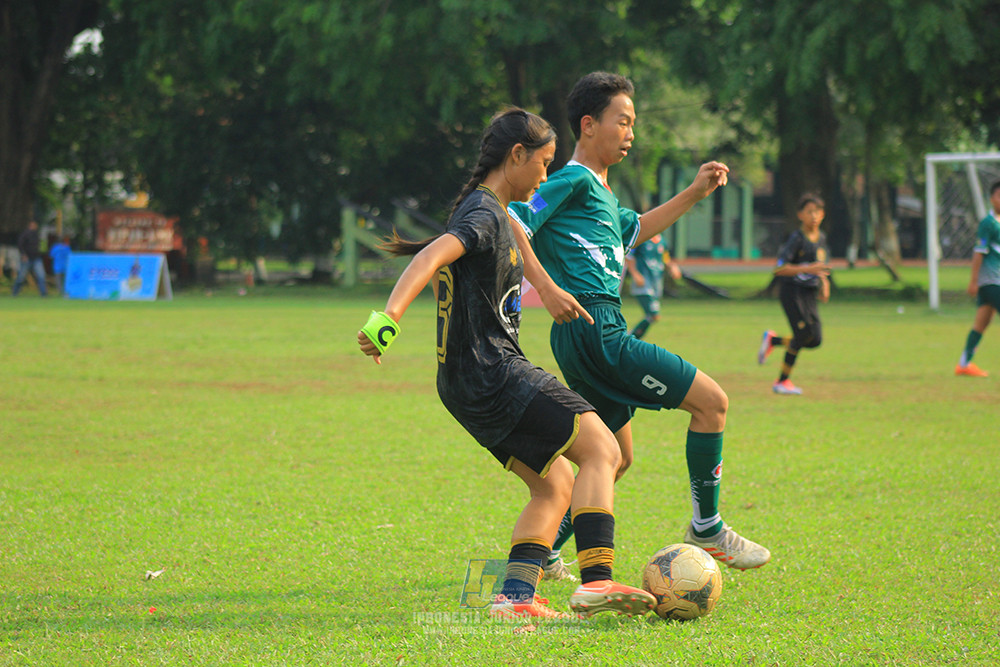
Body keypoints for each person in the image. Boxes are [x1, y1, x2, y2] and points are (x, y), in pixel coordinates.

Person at [357, 107, 656, 620]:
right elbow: (429, 257)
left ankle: (515, 598)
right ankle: (597, 581)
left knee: (556, 483)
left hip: (462, 384)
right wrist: (388, 317)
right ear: (515, 156)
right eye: (542, 164)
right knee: (603, 448)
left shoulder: (488, 210)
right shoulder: (484, 213)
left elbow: (473, 249)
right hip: (492, 371)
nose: (545, 176)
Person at [507, 72, 770, 577]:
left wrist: (694, 193)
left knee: (614, 457)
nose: (630, 133)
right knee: (712, 403)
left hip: (588, 331)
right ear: (588, 125)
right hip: (595, 328)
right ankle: (707, 526)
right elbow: (516, 221)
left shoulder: (602, 193)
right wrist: (548, 287)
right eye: (621, 122)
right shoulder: (571, 178)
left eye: (633, 124)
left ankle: (547, 551)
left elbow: (638, 229)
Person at [757, 193, 831, 395]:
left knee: (814, 339)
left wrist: (824, 283)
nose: (813, 216)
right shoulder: (796, 239)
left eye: (817, 212)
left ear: (823, 214)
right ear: (800, 215)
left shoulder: (822, 238)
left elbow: (821, 267)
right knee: (803, 335)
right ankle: (782, 381)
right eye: (809, 212)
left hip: (809, 293)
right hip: (792, 292)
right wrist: (806, 268)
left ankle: (773, 341)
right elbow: (779, 269)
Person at [954, 179, 1000, 377]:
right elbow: (978, 253)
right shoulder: (988, 224)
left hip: (992, 283)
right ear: (992, 199)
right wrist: (973, 281)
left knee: (981, 323)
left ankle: (964, 364)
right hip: (993, 282)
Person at [624, 233, 681, 339]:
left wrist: (673, 267)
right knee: (653, 315)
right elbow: (629, 256)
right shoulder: (642, 238)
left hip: (656, 282)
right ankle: (629, 339)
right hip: (644, 283)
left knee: (652, 316)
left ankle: (629, 338)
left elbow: (665, 259)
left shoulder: (662, 241)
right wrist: (635, 274)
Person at [12, 220, 48, 297]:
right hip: (27, 258)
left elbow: (41, 246)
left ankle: (44, 293)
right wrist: (23, 254)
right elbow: (20, 245)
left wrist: (41, 253)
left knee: (41, 276)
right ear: (30, 226)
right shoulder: (25, 234)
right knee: (21, 277)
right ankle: (15, 293)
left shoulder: (37, 235)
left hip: (36, 258)